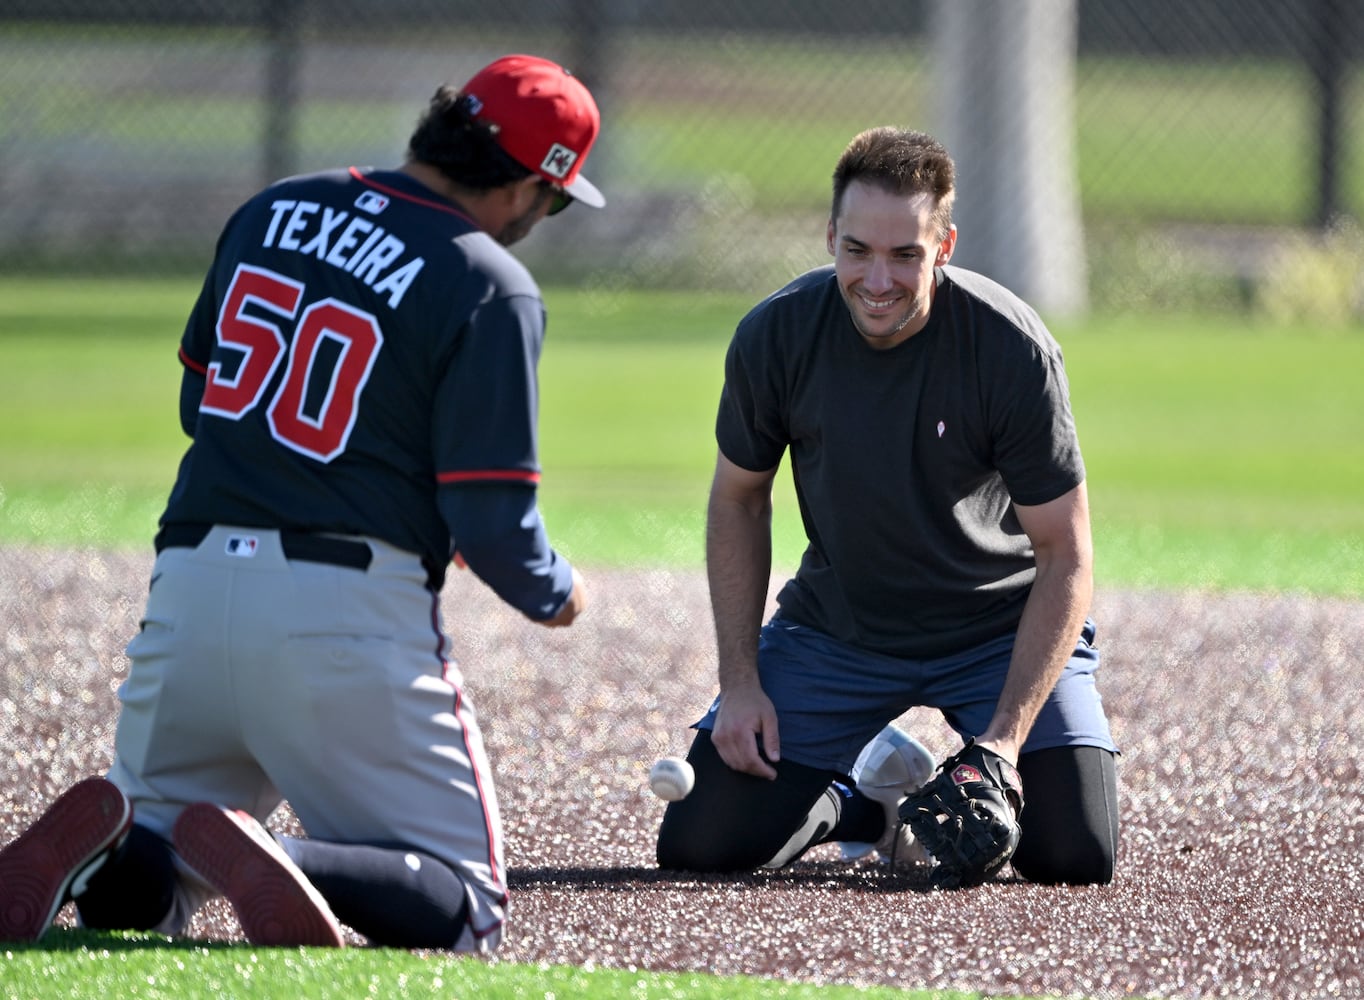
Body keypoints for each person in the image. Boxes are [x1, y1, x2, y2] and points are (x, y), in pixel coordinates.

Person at [0, 53, 601, 951]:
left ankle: (117, 851)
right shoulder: (487, 278)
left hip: (190, 589)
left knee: (150, 890)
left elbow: (202, 406)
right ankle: (282, 853)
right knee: (466, 903)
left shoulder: (273, 207)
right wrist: (561, 592)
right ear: (527, 185)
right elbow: (493, 523)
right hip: (344, 616)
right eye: (553, 201)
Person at [656, 127, 1119, 885]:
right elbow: (738, 500)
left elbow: (1066, 552)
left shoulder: (1010, 348)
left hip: (993, 633)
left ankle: (975, 757)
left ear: (945, 245)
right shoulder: (775, 335)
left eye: (906, 254)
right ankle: (862, 804)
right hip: (838, 633)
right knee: (698, 847)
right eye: (859, 251)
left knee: (1074, 853)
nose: (879, 279)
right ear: (830, 236)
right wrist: (740, 682)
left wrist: (1000, 745)